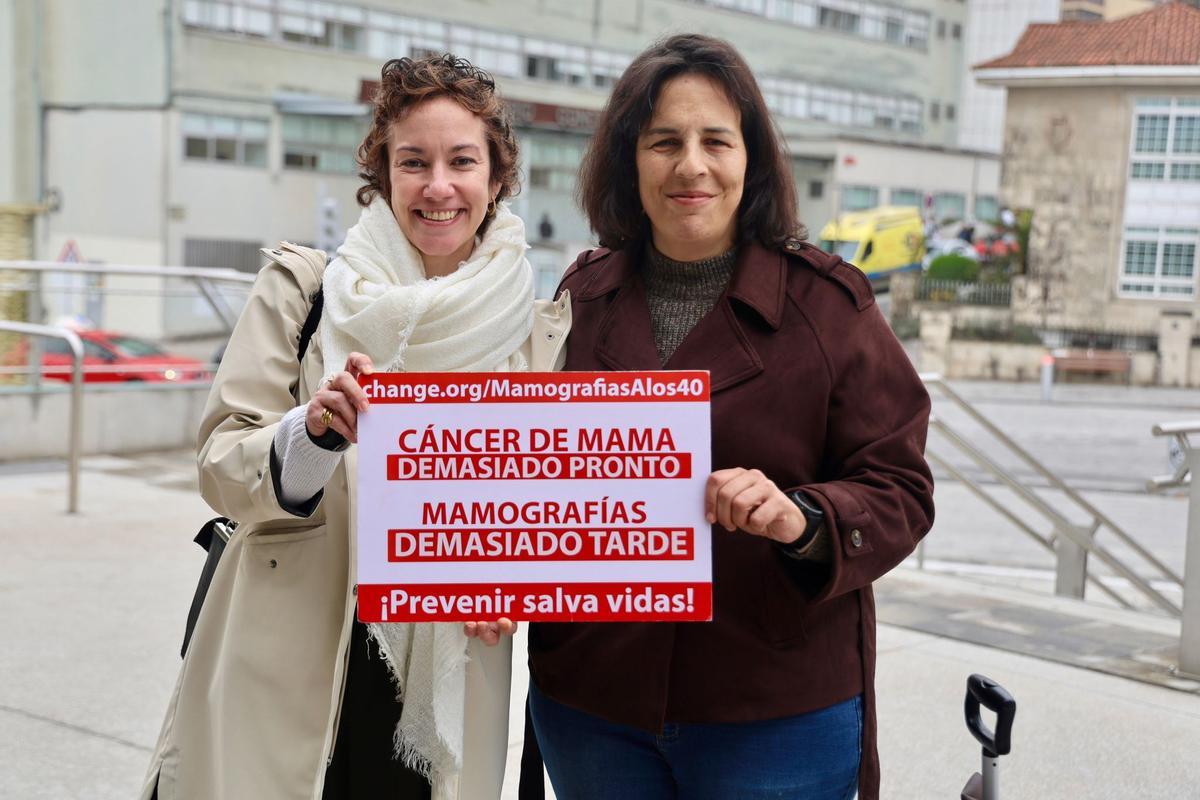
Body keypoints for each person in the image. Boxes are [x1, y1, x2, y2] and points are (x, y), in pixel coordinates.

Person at [142, 55, 568, 800]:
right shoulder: (305, 292)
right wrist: (311, 439)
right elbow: (220, 463)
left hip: (445, 672)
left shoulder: (534, 334)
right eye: (414, 162)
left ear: (497, 176)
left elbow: (552, 512)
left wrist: (514, 579)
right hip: (289, 661)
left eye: (462, 160)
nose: (438, 185)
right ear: (383, 174)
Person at [523, 34, 934, 800]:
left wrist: (804, 518)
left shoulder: (829, 306)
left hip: (774, 716)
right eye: (664, 143)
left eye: (716, 140)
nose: (692, 166)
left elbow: (902, 489)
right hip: (592, 704)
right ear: (628, 160)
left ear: (752, 158)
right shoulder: (579, 299)